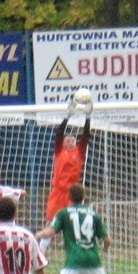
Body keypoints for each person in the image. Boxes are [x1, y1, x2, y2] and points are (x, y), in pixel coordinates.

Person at [39, 100, 92, 253]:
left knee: (73, 223)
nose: (69, 142)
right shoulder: (59, 152)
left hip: (72, 194)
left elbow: (86, 136)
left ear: (76, 143)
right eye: (67, 140)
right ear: (63, 143)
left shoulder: (79, 153)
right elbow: (59, 133)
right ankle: (40, 254)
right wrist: (67, 116)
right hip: (57, 193)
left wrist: (87, 117)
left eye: (72, 140)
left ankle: (76, 250)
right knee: (50, 223)